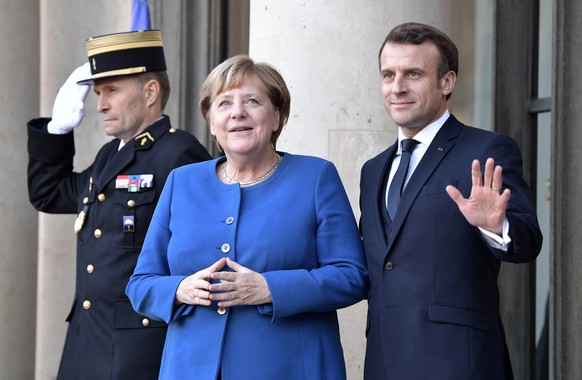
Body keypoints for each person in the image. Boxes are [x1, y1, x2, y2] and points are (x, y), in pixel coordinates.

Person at [125, 54, 368, 380]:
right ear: (212, 123)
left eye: (252, 101)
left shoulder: (315, 177)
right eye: (224, 104)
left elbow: (352, 277)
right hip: (189, 369)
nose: (237, 112)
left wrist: (269, 288)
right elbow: (140, 285)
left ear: (276, 117)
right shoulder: (181, 183)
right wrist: (181, 288)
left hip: (290, 369)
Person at [359, 22, 543, 379]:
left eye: (413, 74)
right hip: (383, 362)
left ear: (447, 82)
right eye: (388, 75)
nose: (397, 87)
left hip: (458, 362)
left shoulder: (487, 150)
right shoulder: (372, 170)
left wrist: (496, 226)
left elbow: (527, 242)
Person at [27, 30, 212, 380]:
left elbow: (198, 254)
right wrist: (56, 131)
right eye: (98, 93)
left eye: (111, 90)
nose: (100, 105)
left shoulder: (179, 154)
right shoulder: (110, 155)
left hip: (137, 351)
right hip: (87, 342)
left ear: (150, 92)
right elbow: (48, 193)